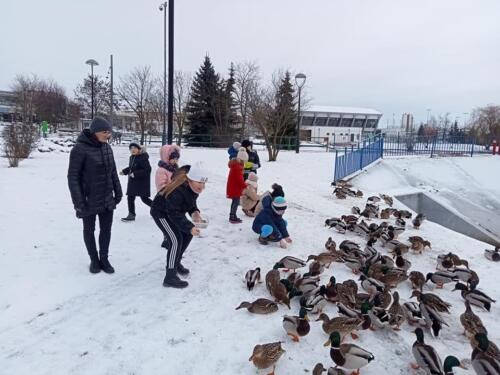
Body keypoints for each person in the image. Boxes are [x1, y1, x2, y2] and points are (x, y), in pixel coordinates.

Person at [67, 117, 122, 274]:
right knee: (89, 230)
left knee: (106, 230)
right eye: (105, 132)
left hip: (106, 197)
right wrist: (78, 202)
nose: (108, 135)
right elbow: (73, 178)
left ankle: (104, 258)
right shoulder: (79, 149)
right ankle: (94, 259)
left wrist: (117, 192)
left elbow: (113, 172)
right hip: (88, 199)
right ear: (95, 132)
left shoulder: (107, 148)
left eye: (109, 132)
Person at [150, 163, 207, 288]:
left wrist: (195, 213)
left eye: (204, 183)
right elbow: (173, 213)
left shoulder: (193, 189)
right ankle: (170, 276)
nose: (202, 187)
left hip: (172, 213)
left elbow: (190, 204)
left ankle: (176, 262)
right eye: (200, 183)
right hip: (161, 213)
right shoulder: (178, 191)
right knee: (175, 240)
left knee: (187, 234)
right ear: (190, 180)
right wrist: (190, 227)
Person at [120, 142, 152, 222]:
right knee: (130, 197)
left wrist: (135, 174)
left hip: (141, 182)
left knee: (144, 199)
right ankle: (131, 215)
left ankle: (159, 209)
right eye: (131, 148)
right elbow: (132, 167)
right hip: (133, 182)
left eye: (135, 148)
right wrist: (125, 171)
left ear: (139, 149)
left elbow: (147, 170)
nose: (133, 150)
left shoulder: (143, 157)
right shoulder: (132, 157)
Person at [227, 147, 248, 223]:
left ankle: (233, 215)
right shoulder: (238, 167)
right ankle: (232, 216)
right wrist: (245, 185)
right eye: (244, 161)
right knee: (235, 202)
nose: (245, 162)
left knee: (235, 202)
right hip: (235, 188)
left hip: (233, 187)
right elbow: (240, 180)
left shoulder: (236, 165)